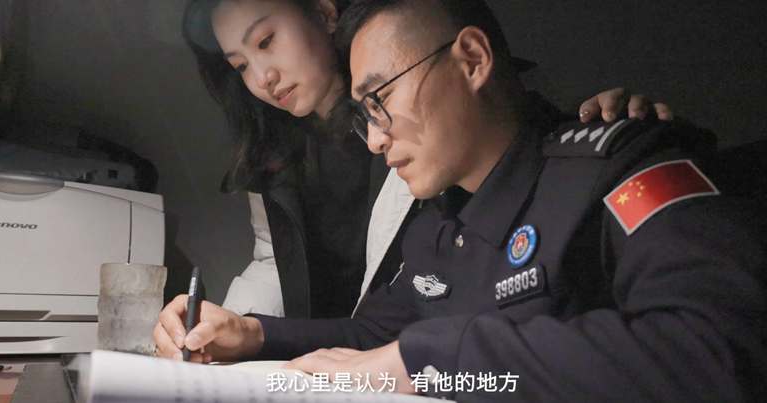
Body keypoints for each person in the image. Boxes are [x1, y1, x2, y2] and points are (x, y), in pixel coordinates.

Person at [156, 0, 766, 400]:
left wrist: (434, 360)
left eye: (381, 100)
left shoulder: (619, 170)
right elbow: (375, 333)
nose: (375, 140)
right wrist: (251, 334)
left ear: (471, 60)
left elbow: (721, 351)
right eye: (363, 113)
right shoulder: (439, 224)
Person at [176, 0, 672, 324]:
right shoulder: (273, 156)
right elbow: (283, 267)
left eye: (266, 41)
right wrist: (237, 328)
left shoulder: (442, 119)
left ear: (323, 13)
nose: (262, 77)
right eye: (240, 66)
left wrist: (614, 129)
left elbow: (521, 140)